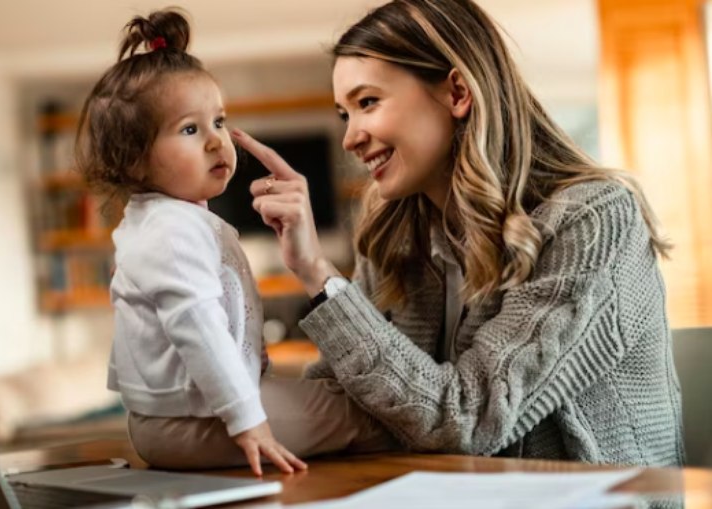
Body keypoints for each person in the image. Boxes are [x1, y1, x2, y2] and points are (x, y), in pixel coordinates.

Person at [236, 0, 684, 466]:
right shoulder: (394, 235)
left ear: (456, 93)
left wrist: (319, 276)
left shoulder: (592, 220)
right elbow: (343, 397)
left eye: (367, 102)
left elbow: (468, 421)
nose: (350, 137)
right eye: (344, 114)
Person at [75, 8, 396, 476]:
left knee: (339, 401)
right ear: (135, 162)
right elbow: (197, 326)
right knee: (368, 414)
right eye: (190, 129)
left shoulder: (171, 221)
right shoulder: (171, 232)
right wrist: (249, 421)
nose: (215, 142)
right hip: (190, 424)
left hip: (179, 418)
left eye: (219, 122)